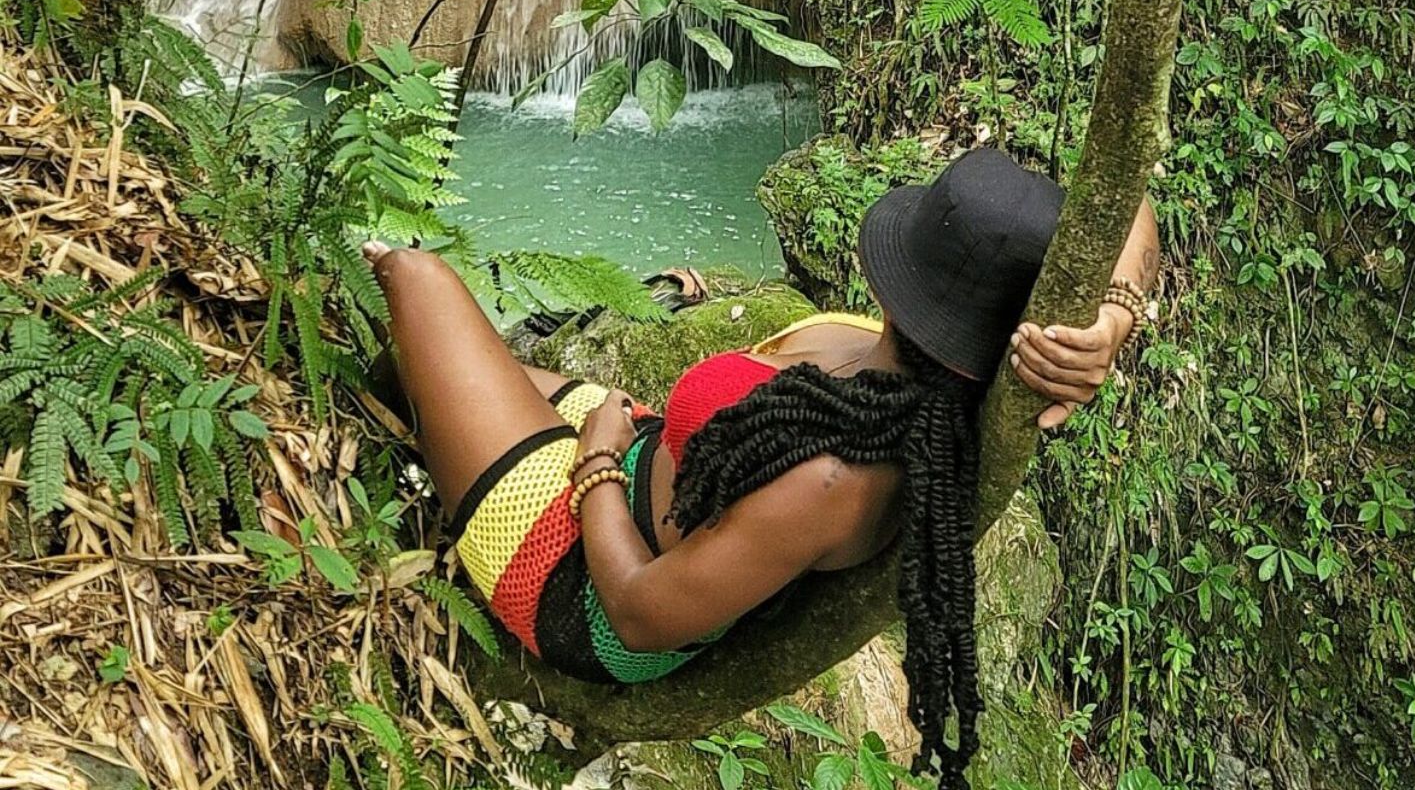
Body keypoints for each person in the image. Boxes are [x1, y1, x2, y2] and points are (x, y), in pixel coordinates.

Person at [363, 147, 1158, 789]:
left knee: (415, 278)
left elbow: (641, 612)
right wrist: (1115, 317)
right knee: (433, 361)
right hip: (632, 457)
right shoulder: (936, 388)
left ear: (901, 273)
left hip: (577, 571)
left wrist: (598, 461)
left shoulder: (829, 482)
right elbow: (1135, 205)